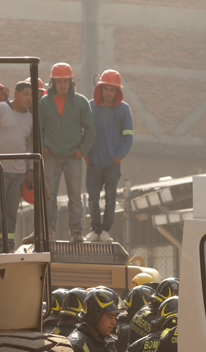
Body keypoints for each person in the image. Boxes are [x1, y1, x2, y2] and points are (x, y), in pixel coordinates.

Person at [39, 63, 95, 243]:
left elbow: (90, 130)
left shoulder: (81, 102)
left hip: (73, 157)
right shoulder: (44, 103)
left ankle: (76, 232)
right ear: (52, 82)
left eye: (65, 81)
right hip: (51, 157)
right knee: (49, 196)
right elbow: (38, 129)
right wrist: (42, 148)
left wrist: (82, 151)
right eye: (59, 81)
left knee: (75, 196)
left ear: (71, 82)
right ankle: (49, 231)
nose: (62, 85)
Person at [0, 80, 35, 252]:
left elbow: (30, 145)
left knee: (11, 213)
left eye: (32, 96)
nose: (29, 98)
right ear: (16, 94)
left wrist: (30, 168)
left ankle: (7, 247)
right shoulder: (0, 109)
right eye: (25, 94)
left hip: (18, 173)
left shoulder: (30, 118)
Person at [85, 70, 133, 243]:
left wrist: (119, 156)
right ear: (100, 88)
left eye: (112, 90)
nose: (108, 93)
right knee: (93, 198)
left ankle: (105, 231)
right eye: (105, 89)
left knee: (110, 199)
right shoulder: (90, 107)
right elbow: (83, 132)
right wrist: (86, 155)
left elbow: (128, 136)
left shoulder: (124, 109)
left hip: (113, 163)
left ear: (117, 92)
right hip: (93, 162)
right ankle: (94, 230)